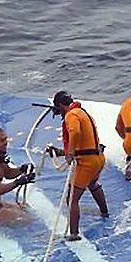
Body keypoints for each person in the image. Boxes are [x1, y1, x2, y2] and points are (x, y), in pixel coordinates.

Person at [46, 91, 109, 241]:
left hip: (87, 163)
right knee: (93, 184)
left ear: (61, 105)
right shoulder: (82, 112)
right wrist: (61, 152)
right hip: (98, 159)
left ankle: (73, 234)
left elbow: (75, 132)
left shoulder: (71, 115)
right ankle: (104, 212)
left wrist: (69, 154)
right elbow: (85, 144)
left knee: (72, 199)